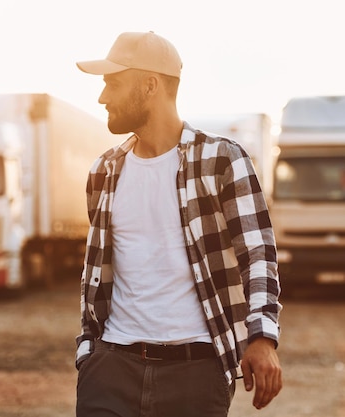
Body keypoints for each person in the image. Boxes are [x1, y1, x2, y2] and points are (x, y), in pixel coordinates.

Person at [74, 31, 282, 417]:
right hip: (111, 368)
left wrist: (262, 337)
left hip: (195, 372)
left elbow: (257, 254)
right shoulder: (104, 170)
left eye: (113, 84)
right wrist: (89, 353)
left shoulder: (221, 160)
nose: (103, 98)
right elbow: (97, 273)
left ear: (150, 85)